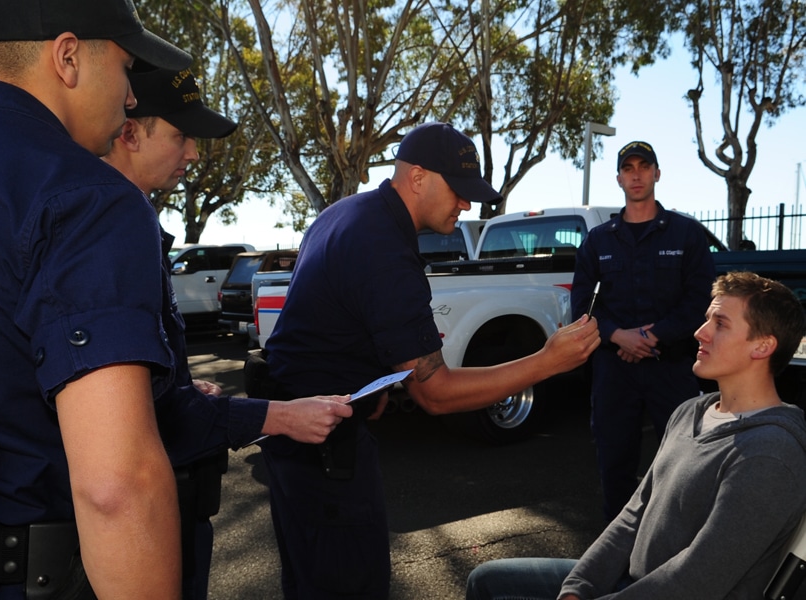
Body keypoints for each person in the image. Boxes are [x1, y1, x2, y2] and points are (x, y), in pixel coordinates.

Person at [0, 2, 351, 599]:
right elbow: (116, 487)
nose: (129, 98)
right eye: (122, 66)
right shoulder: (86, 196)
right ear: (67, 57)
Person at [258, 121, 602, 599]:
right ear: (417, 177)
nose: (466, 205)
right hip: (323, 455)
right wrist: (546, 362)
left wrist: (370, 383)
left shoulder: (345, 213)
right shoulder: (384, 249)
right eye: (460, 191)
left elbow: (331, 325)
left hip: (301, 441)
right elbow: (435, 393)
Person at [466, 271, 806, 600]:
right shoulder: (690, 412)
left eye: (720, 324)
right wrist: (577, 587)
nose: (700, 332)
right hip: (629, 582)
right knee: (487, 582)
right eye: (706, 319)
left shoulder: (769, 453)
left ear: (762, 346)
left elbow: (697, 582)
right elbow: (633, 516)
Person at [103, 65, 237, 599]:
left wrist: (177, 384)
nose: (193, 154)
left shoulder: (137, 224)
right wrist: (282, 415)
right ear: (130, 132)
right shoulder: (109, 230)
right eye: (181, 135)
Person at [570, 140, 715, 521]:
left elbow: (700, 299)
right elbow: (583, 305)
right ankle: (614, 553)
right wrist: (618, 335)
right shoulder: (599, 240)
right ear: (619, 177)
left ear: (657, 173)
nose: (636, 174)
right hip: (613, 371)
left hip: (672, 367)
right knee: (615, 463)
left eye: (644, 166)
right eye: (628, 168)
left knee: (683, 459)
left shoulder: (686, 235)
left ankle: (676, 543)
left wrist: (652, 337)